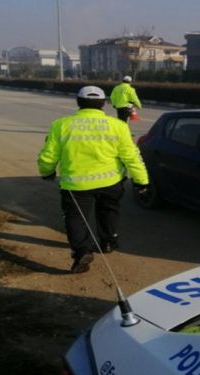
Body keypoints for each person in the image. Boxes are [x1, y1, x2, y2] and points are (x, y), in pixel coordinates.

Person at [38, 86, 149, 273]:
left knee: (76, 218)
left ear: (78, 102)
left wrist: (47, 172)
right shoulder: (119, 126)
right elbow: (132, 157)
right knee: (109, 211)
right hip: (111, 183)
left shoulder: (61, 125)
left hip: (76, 186)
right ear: (104, 104)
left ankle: (82, 251)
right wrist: (141, 181)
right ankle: (108, 241)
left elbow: (48, 156)